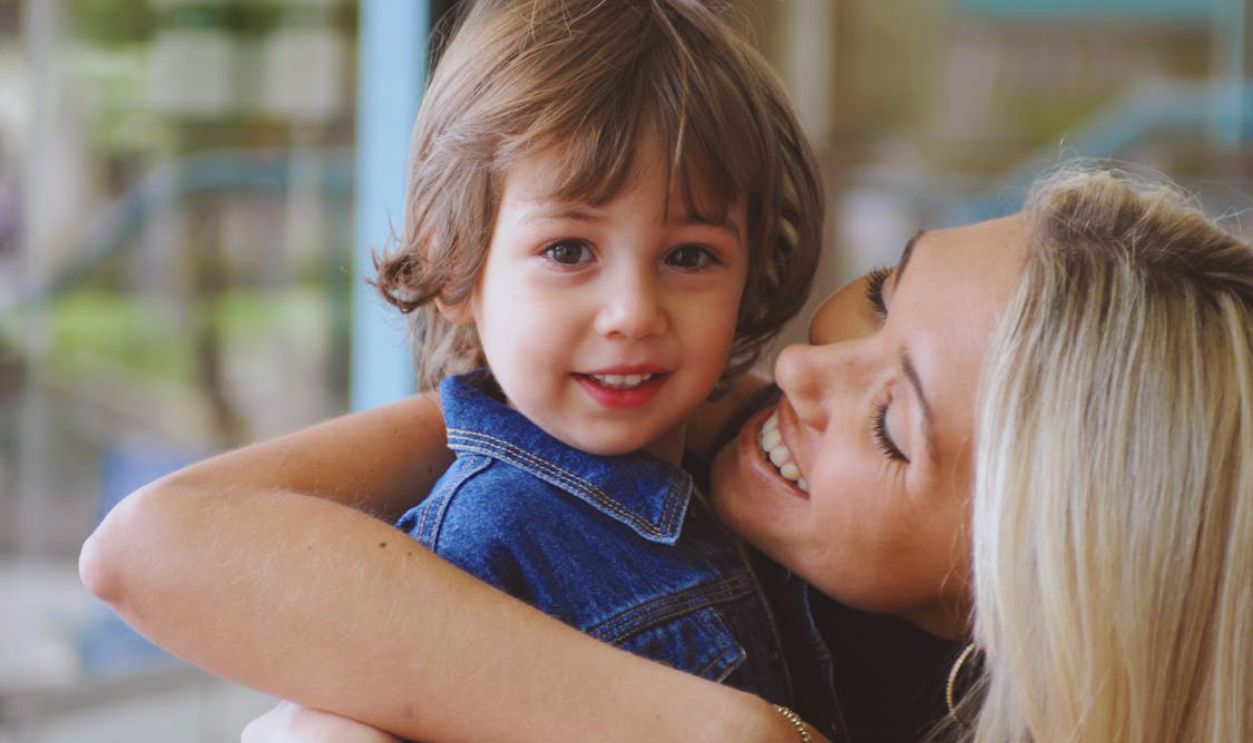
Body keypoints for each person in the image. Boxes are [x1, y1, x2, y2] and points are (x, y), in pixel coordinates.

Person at [81, 165, 1252, 742]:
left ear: (1023, 597)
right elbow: (154, 544)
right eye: (884, 290)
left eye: (894, 425)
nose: (802, 368)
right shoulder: (671, 449)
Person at [369, 0, 824, 716]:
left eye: (689, 255)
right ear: (456, 267)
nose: (633, 313)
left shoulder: (758, 488)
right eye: (568, 251)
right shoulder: (475, 552)